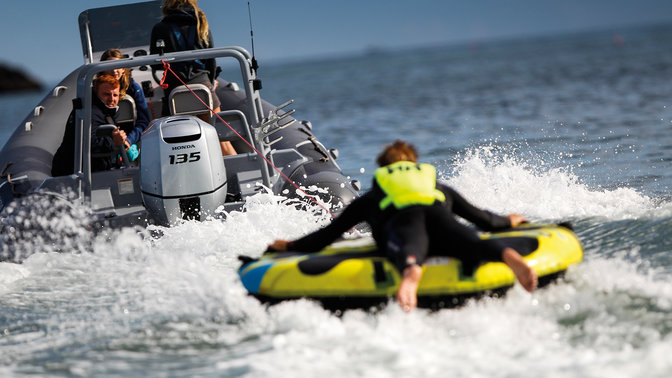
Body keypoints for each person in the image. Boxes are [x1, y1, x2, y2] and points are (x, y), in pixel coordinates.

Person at [268, 140, 538, 312]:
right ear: (414, 164)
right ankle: (506, 255)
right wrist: (508, 221)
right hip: (439, 219)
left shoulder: (374, 197)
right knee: (469, 241)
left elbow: (327, 236)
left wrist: (289, 246)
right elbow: (482, 219)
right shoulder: (436, 187)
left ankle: (410, 274)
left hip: (406, 228)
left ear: (383, 169)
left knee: (408, 248)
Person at [150, 0, 236, 156]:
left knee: (171, 141)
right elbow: (211, 60)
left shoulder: (159, 28)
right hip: (203, 88)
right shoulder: (201, 23)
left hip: (175, 92)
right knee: (223, 141)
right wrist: (211, 82)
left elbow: (155, 65)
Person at [52, 75, 128, 176]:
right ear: (96, 94)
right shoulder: (91, 112)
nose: (111, 99)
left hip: (90, 170)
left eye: (115, 95)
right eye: (106, 94)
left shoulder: (103, 111)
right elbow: (89, 144)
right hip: (72, 173)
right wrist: (114, 142)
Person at [100, 48, 151, 150]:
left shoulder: (134, 88)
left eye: (117, 66)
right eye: (109, 66)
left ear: (123, 69)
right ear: (103, 70)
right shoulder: (95, 92)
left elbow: (144, 121)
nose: (114, 70)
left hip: (131, 140)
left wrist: (129, 141)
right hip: (106, 142)